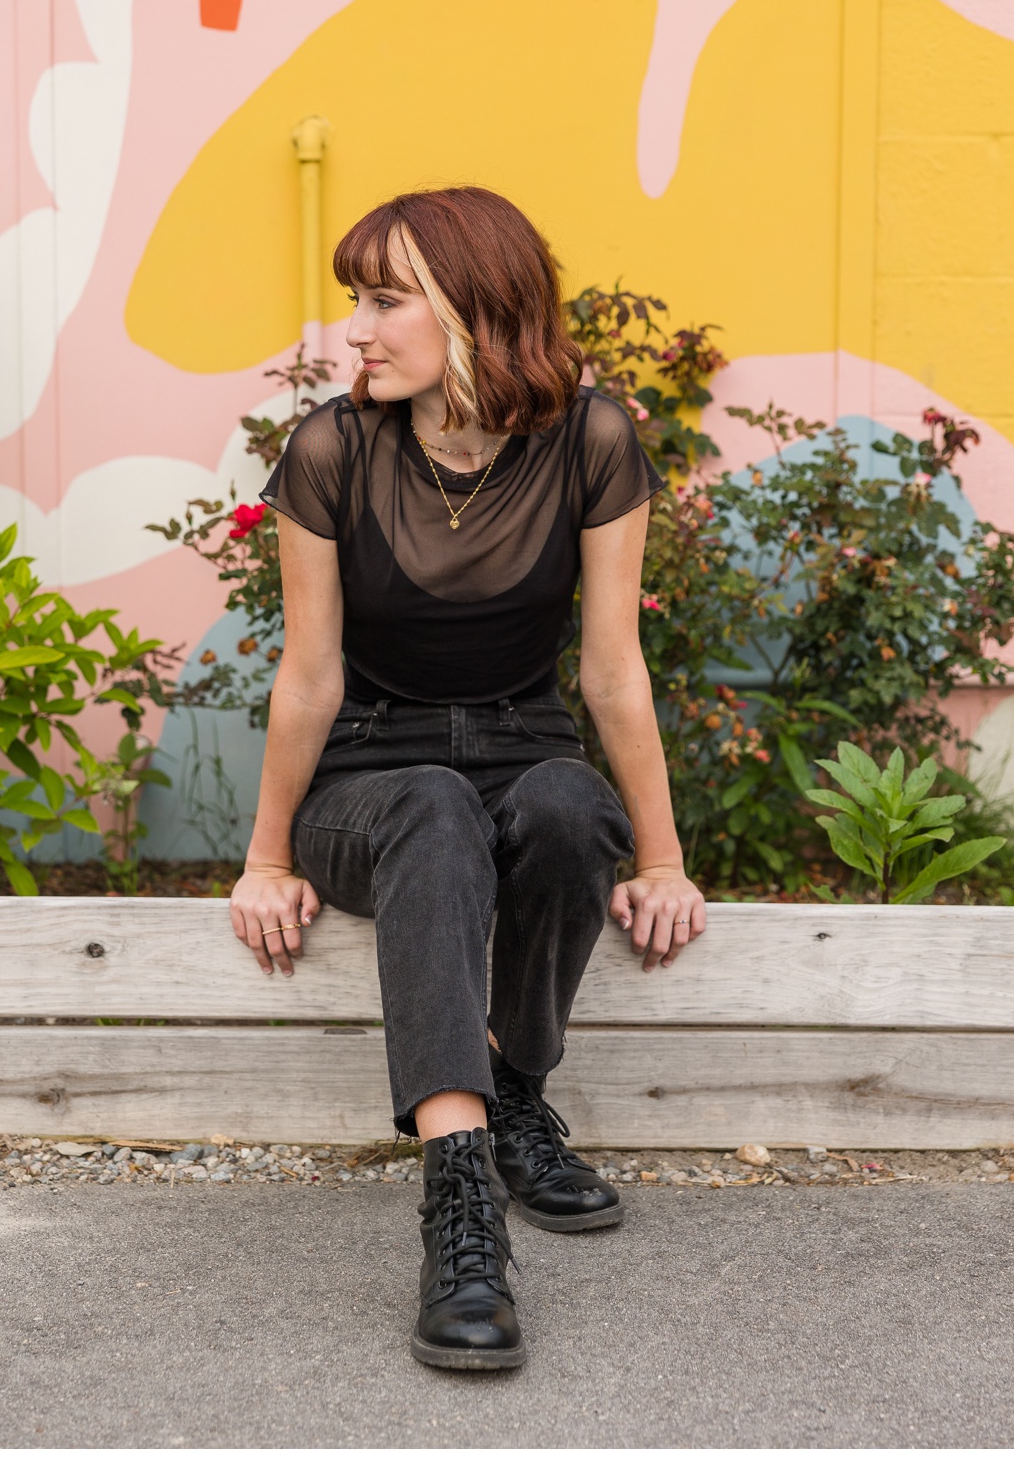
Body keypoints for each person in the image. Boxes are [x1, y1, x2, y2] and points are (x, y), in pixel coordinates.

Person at [231, 186, 707, 1370]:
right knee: (434, 806)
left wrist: (661, 858)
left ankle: (516, 1095)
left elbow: (612, 669)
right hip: (369, 773)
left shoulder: (589, 441)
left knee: (570, 808)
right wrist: (267, 856)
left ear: (476, 308)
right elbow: (309, 674)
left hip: (521, 739)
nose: (355, 329)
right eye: (357, 299)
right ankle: (460, 1201)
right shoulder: (334, 450)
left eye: (385, 300)